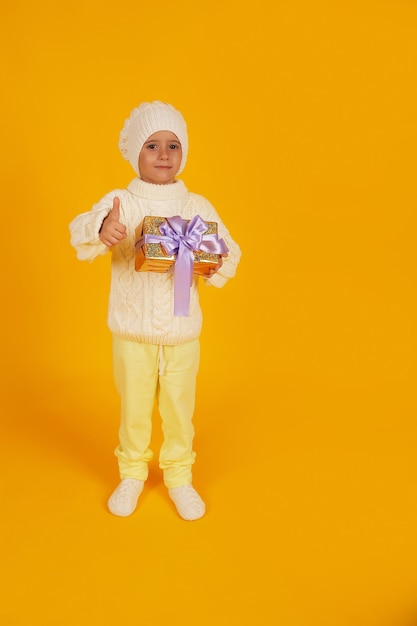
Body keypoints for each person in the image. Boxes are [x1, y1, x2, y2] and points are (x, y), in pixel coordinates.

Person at [69, 101, 241, 521]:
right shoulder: (121, 202)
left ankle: (179, 476)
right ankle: (131, 472)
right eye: (152, 145)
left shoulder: (197, 206)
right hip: (132, 332)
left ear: (184, 153)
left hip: (183, 334)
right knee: (134, 407)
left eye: (173, 145)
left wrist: (213, 261)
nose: (164, 154)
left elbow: (231, 254)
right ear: (134, 153)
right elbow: (80, 229)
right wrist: (101, 229)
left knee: (180, 409)